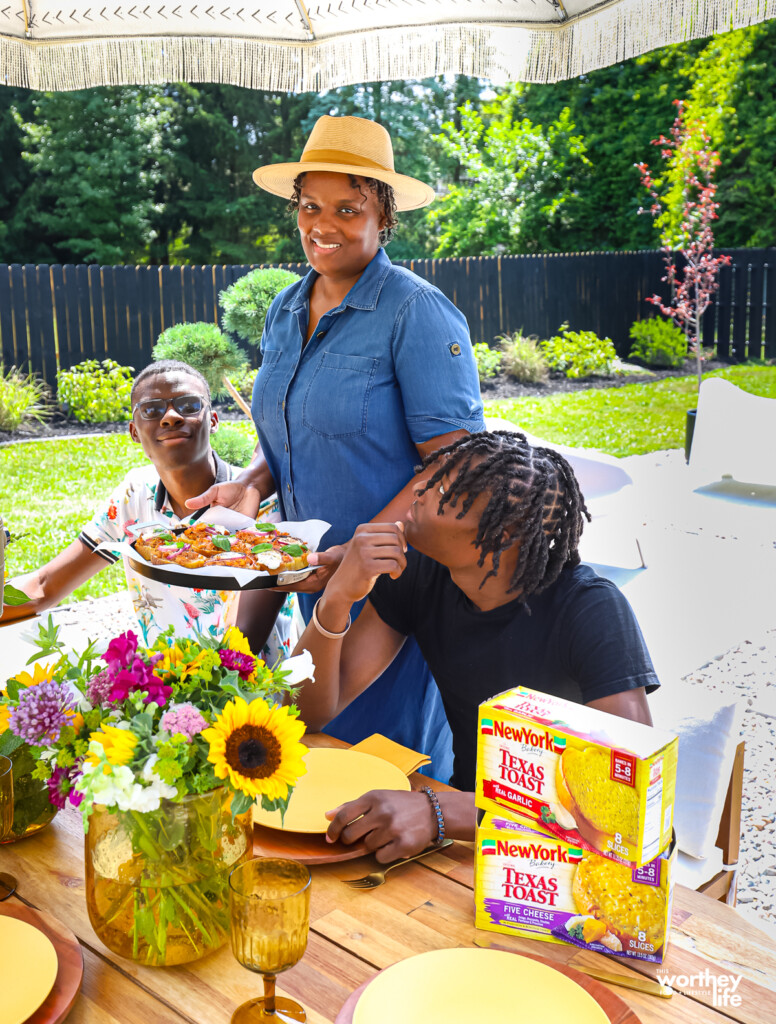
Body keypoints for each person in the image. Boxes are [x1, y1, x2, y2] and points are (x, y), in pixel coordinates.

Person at [188, 115, 485, 778]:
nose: (324, 224)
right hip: (312, 579)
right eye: (310, 206)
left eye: (348, 209)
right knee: (317, 763)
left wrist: (365, 550)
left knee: (381, 775)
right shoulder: (286, 308)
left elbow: (458, 462)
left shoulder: (417, 312)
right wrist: (254, 485)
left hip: (395, 586)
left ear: (384, 217)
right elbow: (295, 432)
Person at [292, 431, 660, 862]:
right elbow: (306, 712)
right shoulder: (421, 577)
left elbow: (628, 797)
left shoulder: (591, 610)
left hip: (563, 854)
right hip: (471, 838)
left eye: (443, 489)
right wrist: (337, 599)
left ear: (501, 533)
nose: (419, 489)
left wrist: (439, 811)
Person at [2, 360, 290, 659]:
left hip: (255, 691)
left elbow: (245, 638)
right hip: (165, 687)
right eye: (151, 410)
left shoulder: (258, 502)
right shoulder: (134, 495)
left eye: (189, 405)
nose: (171, 417)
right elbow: (44, 586)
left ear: (213, 420)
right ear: (134, 432)